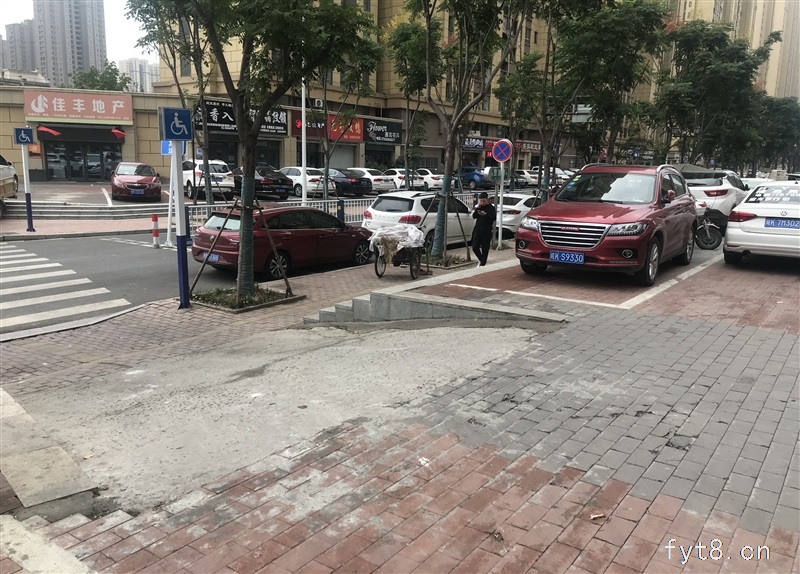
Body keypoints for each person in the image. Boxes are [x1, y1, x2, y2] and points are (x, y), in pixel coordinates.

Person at [472, 192, 496, 267]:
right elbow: (474, 216)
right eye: (481, 201)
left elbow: (493, 218)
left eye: (484, 201)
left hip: (487, 231)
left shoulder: (491, 208)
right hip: (478, 230)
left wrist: (485, 214)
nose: (482, 203)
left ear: (487, 200)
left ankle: (482, 264)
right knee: (475, 247)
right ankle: (481, 260)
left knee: (485, 249)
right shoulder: (479, 207)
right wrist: (477, 209)